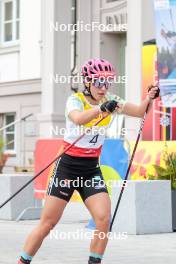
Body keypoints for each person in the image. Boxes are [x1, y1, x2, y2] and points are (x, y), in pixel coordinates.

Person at [18, 58, 159, 264]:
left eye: (107, 82)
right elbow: (78, 118)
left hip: (90, 169)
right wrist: (102, 109)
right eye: (98, 82)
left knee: (103, 219)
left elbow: (139, 112)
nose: (103, 88)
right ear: (87, 82)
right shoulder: (75, 100)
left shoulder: (111, 99)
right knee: (48, 224)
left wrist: (149, 98)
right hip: (66, 167)